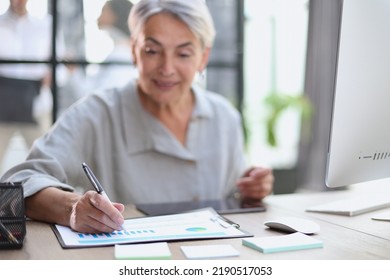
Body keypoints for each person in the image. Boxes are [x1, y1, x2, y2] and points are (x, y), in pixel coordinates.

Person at [1, 0, 274, 234]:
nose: (167, 68)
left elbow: (232, 196)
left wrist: (251, 186)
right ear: (134, 51)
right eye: (152, 51)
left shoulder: (224, 117)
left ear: (203, 58)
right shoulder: (97, 112)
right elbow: (21, 181)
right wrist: (72, 208)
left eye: (183, 53)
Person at [0, 0, 54, 171]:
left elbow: (59, 65)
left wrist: (51, 77)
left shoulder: (45, 26)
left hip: (37, 106)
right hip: (2, 106)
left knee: (44, 164)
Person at [59, 0, 136, 115]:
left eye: (104, 10)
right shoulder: (122, 53)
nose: (98, 16)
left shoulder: (120, 56)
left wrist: (73, 71)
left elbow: (93, 99)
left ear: (114, 15)